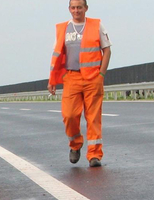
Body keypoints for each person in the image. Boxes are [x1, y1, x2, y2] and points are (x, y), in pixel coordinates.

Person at [48, 0, 112, 167]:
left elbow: (107, 50)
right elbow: (57, 55)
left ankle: (94, 155)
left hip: (93, 79)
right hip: (71, 78)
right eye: (73, 8)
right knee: (69, 115)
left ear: (86, 8)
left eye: (79, 7)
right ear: (69, 9)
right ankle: (75, 145)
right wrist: (52, 80)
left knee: (93, 118)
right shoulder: (63, 28)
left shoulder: (96, 25)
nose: (76, 10)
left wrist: (101, 74)